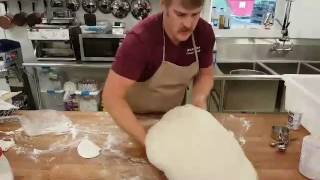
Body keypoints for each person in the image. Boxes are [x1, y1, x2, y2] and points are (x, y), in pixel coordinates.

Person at [102, 0, 215, 146]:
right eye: (180, 14)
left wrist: (199, 99)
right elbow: (112, 98)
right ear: (164, 5)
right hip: (132, 119)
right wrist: (148, 142)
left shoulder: (204, 33)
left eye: (195, 14)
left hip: (171, 117)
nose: (188, 24)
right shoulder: (140, 40)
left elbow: (205, 75)